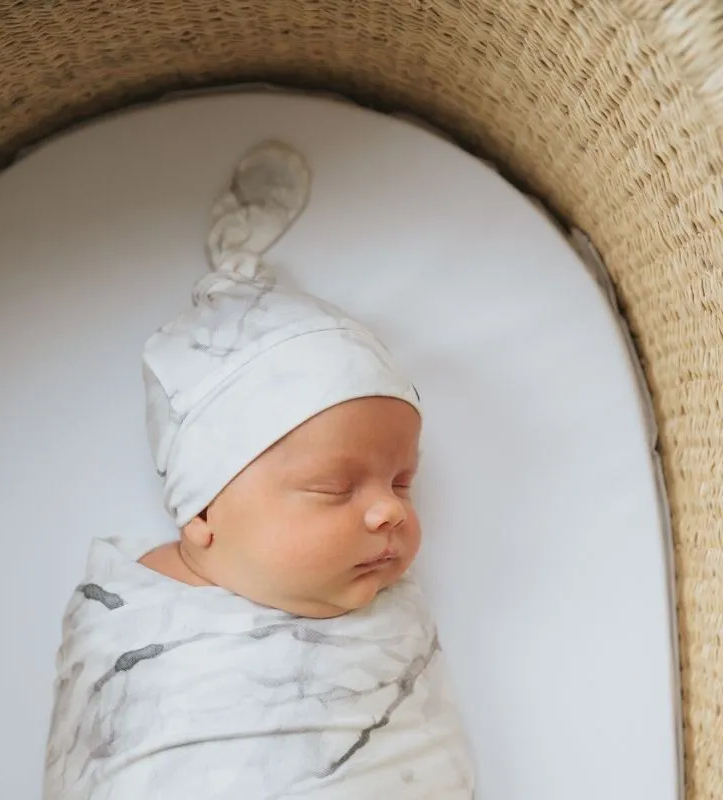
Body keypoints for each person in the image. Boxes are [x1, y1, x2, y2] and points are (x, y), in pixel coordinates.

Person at [44, 141, 473, 799]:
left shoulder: (386, 618)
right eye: (334, 486)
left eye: (401, 482)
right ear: (204, 512)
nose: (390, 510)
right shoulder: (130, 621)